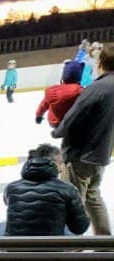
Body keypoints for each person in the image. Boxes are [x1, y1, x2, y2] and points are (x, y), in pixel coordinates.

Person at [53, 42, 114, 235]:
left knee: (72, 201)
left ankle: (72, 250)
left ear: (101, 63)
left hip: (81, 154)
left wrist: (58, 131)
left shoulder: (98, 88)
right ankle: (104, 244)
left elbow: (73, 115)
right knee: (93, 197)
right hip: (101, 154)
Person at [0, 144, 89, 237]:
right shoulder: (67, 188)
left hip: (16, 247)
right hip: (52, 247)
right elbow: (80, 228)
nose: (63, 167)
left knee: (1, 226)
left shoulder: (11, 187)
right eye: (62, 162)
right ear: (54, 164)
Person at [37, 60, 85, 128]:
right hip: (72, 122)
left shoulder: (52, 90)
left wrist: (38, 115)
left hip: (55, 122)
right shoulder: (80, 91)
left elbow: (44, 104)